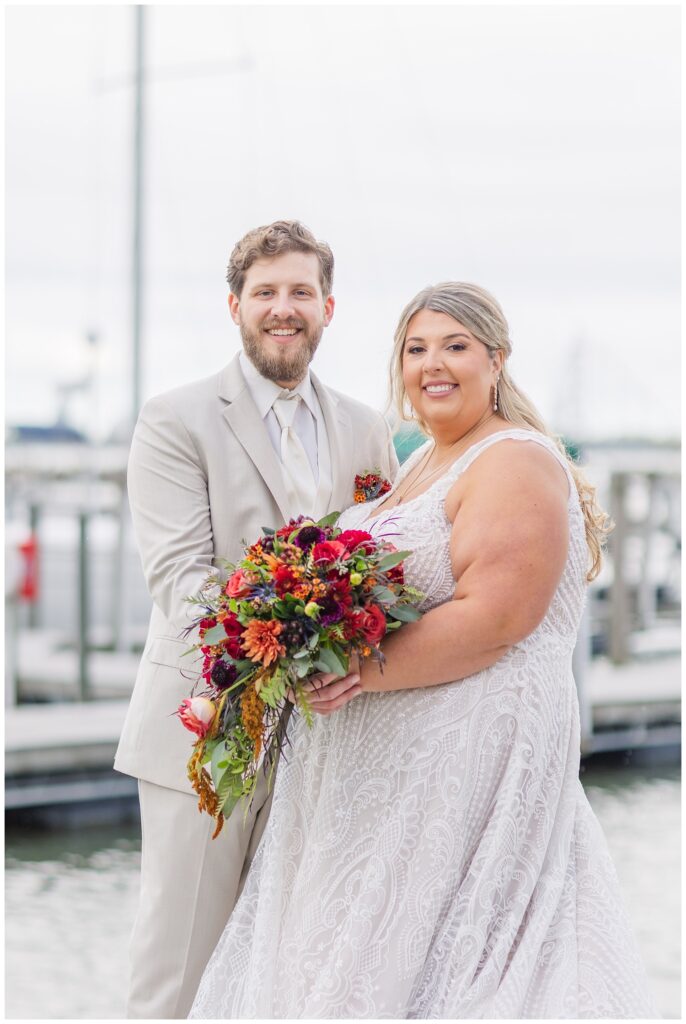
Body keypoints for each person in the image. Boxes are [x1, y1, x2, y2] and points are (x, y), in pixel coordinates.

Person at [189, 282, 657, 1018]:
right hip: (398, 779)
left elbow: (500, 617)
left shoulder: (513, 459)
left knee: (465, 965)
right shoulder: (422, 464)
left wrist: (358, 670)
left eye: (455, 346)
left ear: (496, 360)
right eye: (415, 349)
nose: (432, 365)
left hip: (474, 763)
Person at [114, 220, 398, 1019]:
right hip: (204, 735)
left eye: (300, 292)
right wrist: (292, 648)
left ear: (328, 307)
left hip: (330, 743)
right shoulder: (176, 418)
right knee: (180, 967)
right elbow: (183, 583)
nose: (284, 308)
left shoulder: (364, 427)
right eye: (266, 293)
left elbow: (380, 566)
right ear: (235, 306)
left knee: (291, 968)